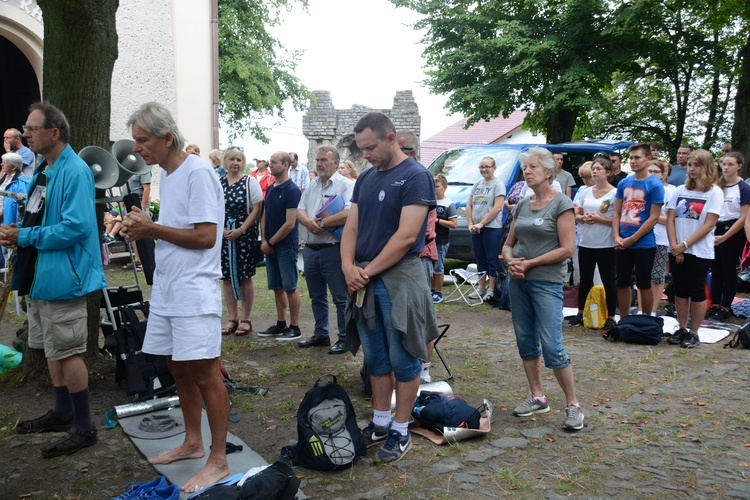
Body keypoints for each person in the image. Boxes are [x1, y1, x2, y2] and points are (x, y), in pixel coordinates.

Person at [120, 102, 229, 493]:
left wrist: (152, 230)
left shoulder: (197, 172)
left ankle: (218, 459)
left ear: (167, 137)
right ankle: (192, 441)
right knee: (177, 368)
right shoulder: (169, 174)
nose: (137, 148)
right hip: (169, 287)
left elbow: (205, 237)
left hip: (194, 289)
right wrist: (138, 227)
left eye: (143, 140)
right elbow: (173, 229)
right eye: (135, 140)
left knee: (205, 373)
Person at [0, 102, 106, 458]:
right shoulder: (46, 169)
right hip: (43, 276)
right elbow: (40, 216)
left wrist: (24, 237)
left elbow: (75, 228)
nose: (25, 134)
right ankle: (63, 412)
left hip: (65, 276)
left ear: (54, 133)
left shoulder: (74, 171)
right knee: (50, 348)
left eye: (31, 128)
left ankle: (85, 426)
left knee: (69, 352)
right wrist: (20, 231)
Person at [342, 112, 439, 463]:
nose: (365, 154)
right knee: (377, 358)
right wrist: (347, 266)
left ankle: (401, 429)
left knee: (404, 356)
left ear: (391, 138)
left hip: (399, 277)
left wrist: (364, 273)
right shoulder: (365, 179)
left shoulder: (415, 175)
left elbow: (406, 236)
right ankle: (381, 422)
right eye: (361, 148)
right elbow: (351, 228)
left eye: (370, 147)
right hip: (365, 276)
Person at [501, 146, 584, 431]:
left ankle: (573, 405)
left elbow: (567, 248)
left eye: (533, 167)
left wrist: (531, 263)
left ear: (549, 172)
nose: (527, 171)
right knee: (526, 340)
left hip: (547, 282)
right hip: (519, 281)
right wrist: (511, 262)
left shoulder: (562, 204)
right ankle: (538, 396)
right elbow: (509, 244)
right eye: (526, 167)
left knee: (552, 345)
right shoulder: (523, 205)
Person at [296, 146, 354, 354]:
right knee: (316, 295)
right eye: (317, 160)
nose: (319, 164)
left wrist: (323, 222)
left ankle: (345, 338)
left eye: (324, 160)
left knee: (340, 297)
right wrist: (308, 222)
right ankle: (321, 334)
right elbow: (300, 209)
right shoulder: (312, 185)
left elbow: (350, 211)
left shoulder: (346, 184)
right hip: (311, 249)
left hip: (333, 248)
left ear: (336, 163)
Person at [665, 149, 722, 348]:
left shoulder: (714, 192)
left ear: (706, 167)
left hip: (698, 250)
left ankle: (694, 331)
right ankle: (681, 327)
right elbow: (670, 219)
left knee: (697, 291)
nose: (692, 169)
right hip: (677, 248)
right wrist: (675, 246)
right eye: (689, 165)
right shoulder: (680, 190)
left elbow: (708, 225)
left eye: (696, 165)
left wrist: (685, 245)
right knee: (680, 290)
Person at [612, 143, 664, 318]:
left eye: (637, 157)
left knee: (643, 283)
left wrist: (632, 239)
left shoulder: (655, 185)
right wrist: (617, 236)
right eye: (631, 158)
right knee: (622, 282)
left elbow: (654, 217)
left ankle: (646, 318)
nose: (633, 161)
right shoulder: (624, 183)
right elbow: (617, 212)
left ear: (648, 159)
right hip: (622, 241)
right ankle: (624, 318)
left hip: (643, 243)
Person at [569, 157, 617, 332]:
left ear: (608, 173)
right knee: (585, 278)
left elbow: (617, 220)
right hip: (587, 241)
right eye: (594, 168)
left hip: (606, 243)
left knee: (608, 279)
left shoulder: (614, 193)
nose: (595, 171)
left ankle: (611, 315)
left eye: (599, 169)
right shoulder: (586, 192)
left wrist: (599, 219)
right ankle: (581, 312)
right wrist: (583, 218)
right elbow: (578, 214)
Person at [258, 151, 302, 341]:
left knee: (290, 286)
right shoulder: (271, 188)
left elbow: (290, 223)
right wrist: (264, 240)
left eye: (274, 162)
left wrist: (272, 242)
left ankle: (295, 326)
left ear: (285, 165)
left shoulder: (292, 190)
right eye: (270, 162)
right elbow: (264, 214)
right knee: (277, 286)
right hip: (271, 245)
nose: (270, 165)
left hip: (285, 246)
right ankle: (281, 323)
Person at [219, 148, 263, 336]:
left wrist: (241, 230)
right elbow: (213, 207)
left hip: (244, 234)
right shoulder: (218, 182)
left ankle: (246, 319)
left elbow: (256, 209)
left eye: (238, 159)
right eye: (231, 159)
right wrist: (221, 230)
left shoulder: (249, 182)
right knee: (227, 277)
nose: (235, 162)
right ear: (225, 161)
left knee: (245, 276)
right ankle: (232, 318)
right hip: (224, 234)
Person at [707, 152, 750, 320]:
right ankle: (715, 304)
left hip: (733, 230)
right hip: (715, 227)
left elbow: (743, 217)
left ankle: (725, 307)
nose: (726, 167)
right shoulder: (716, 186)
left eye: (730, 164)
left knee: (728, 270)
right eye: (724, 164)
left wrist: (725, 236)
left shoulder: (744, 188)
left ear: (739, 166)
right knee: (715, 269)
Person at [466, 156, 505, 301]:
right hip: (476, 228)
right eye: (482, 167)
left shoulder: (498, 184)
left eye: (487, 166)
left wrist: (482, 223)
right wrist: (471, 223)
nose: (484, 169)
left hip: (491, 228)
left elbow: (497, 207)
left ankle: (491, 289)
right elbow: (469, 205)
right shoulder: (477, 184)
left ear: (494, 168)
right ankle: (481, 288)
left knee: (491, 259)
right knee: (480, 258)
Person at [645, 160, 676, 315]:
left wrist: (653, 217)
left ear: (664, 174)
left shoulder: (670, 192)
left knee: (657, 277)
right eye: (649, 171)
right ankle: (643, 309)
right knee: (643, 276)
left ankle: (652, 309)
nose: (652, 174)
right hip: (642, 238)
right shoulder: (642, 188)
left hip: (661, 238)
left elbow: (672, 219)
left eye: (656, 171)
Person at [431, 174, 457, 304]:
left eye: (437, 186)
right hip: (429, 240)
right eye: (432, 186)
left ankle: (438, 292)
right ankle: (431, 290)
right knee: (429, 267)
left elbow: (453, 224)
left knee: (438, 267)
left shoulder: (448, 204)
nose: (434, 189)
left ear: (445, 187)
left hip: (441, 241)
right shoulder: (430, 201)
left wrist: (437, 220)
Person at [121, 168, 152, 272]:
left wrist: (142, 206)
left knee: (145, 232)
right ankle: (138, 259)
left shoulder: (143, 169)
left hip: (138, 203)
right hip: (130, 203)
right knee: (132, 232)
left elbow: (147, 188)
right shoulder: (128, 170)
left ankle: (148, 260)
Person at [0, 152, 30, 225]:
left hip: (8, 221)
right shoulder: (4, 178)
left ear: (14, 167)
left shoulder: (22, 183)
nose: (1, 164)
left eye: (5, 162)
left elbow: (21, 206)